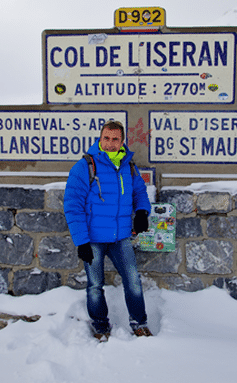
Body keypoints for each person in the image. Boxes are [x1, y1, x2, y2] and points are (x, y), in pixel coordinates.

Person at [64, 120, 152, 341]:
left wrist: (142, 212)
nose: (110, 143)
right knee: (95, 285)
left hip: (120, 237)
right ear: (100, 139)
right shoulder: (85, 166)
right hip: (92, 238)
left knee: (133, 280)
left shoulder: (128, 166)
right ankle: (101, 326)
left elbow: (139, 192)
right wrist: (81, 241)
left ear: (122, 141)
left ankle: (139, 323)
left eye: (115, 139)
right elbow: (73, 205)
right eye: (106, 138)